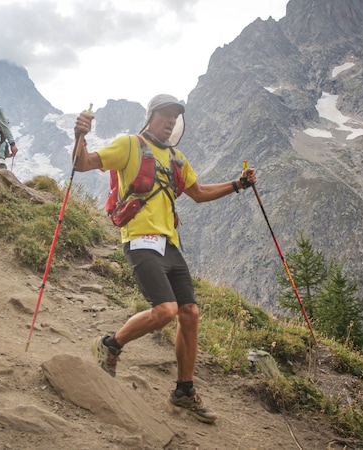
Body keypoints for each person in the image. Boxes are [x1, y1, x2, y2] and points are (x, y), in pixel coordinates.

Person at [72, 94, 257, 424]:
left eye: (175, 116)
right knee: (166, 310)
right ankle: (110, 345)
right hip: (139, 240)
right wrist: (80, 136)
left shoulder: (177, 158)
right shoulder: (129, 144)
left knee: (190, 313)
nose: (171, 120)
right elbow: (83, 164)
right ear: (151, 116)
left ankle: (183, 391)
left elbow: (199, 194)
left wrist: (238, 184)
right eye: (165, 114)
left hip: (170, 244)